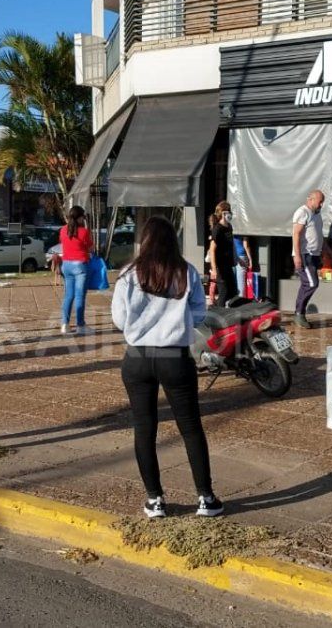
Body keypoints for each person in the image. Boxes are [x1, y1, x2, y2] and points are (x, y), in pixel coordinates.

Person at [111, 215, 222, 519]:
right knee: (191, 428)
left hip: (137, 358)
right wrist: (177, 321)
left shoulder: (128, 274)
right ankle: (206, 498)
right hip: (175, 358)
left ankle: (155, 500)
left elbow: (119, 319)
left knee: (144, 429)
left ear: (144, 241)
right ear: (173, 240)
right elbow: (199, 314)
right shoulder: (186, 271)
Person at [292, 190, 329, 329]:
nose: (321, 205)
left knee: (307, 284)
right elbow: (296, 234)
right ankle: (298, 313)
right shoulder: (303, 212)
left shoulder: (316, 215)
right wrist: (297, 256)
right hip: (304, 254)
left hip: (314, 255)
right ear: (311, 199)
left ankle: (299, 314)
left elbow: (318, 235)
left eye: (322, 202)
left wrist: (325, 251)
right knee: (311, 283)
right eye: (320, 202)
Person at [59, 205, 93, 335]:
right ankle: (80, 325)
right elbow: (90, 248)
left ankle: (65, 324)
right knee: (80, 296)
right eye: (83, 217)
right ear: (79, 218)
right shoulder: (84, 232)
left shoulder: (63, 230)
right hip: (80, 266)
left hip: (66, 265)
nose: (83, 219)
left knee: (68, 295)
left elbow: (64, 243)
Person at [208, 201, 239, 308]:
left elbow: (231, 245)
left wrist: (238, 259)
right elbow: (212, 250)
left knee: (233, 292)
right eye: (228, 211)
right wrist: (214, 269)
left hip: (228, 265)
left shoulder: (229, 227)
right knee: (224, 292)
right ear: (223, 213)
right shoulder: (218, 229)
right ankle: (219, 313)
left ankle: (231, 313)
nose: (230, 214)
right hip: (220, 267)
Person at [234, 232, 254, 299]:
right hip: (242, 255)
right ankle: (241, 299)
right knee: (241, 280)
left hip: (233, 256)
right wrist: (250, 259)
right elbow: (246, 245)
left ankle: (235, 299)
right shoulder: (244, 230)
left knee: (235, 279)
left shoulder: (231, 229)